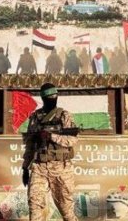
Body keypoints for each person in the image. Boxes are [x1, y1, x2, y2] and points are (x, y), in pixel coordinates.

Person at [22, 83, 79, 221]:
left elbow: (72, 140)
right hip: (39, 167)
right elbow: (29, 145)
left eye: (55, 96)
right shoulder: (35, 117)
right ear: (43, 98)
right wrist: (25, 168)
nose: (53, 99)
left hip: (61, 168)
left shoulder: (64, 115)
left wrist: (51, 136)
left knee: (67, 211)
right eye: (49, 97)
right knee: (34, 206)